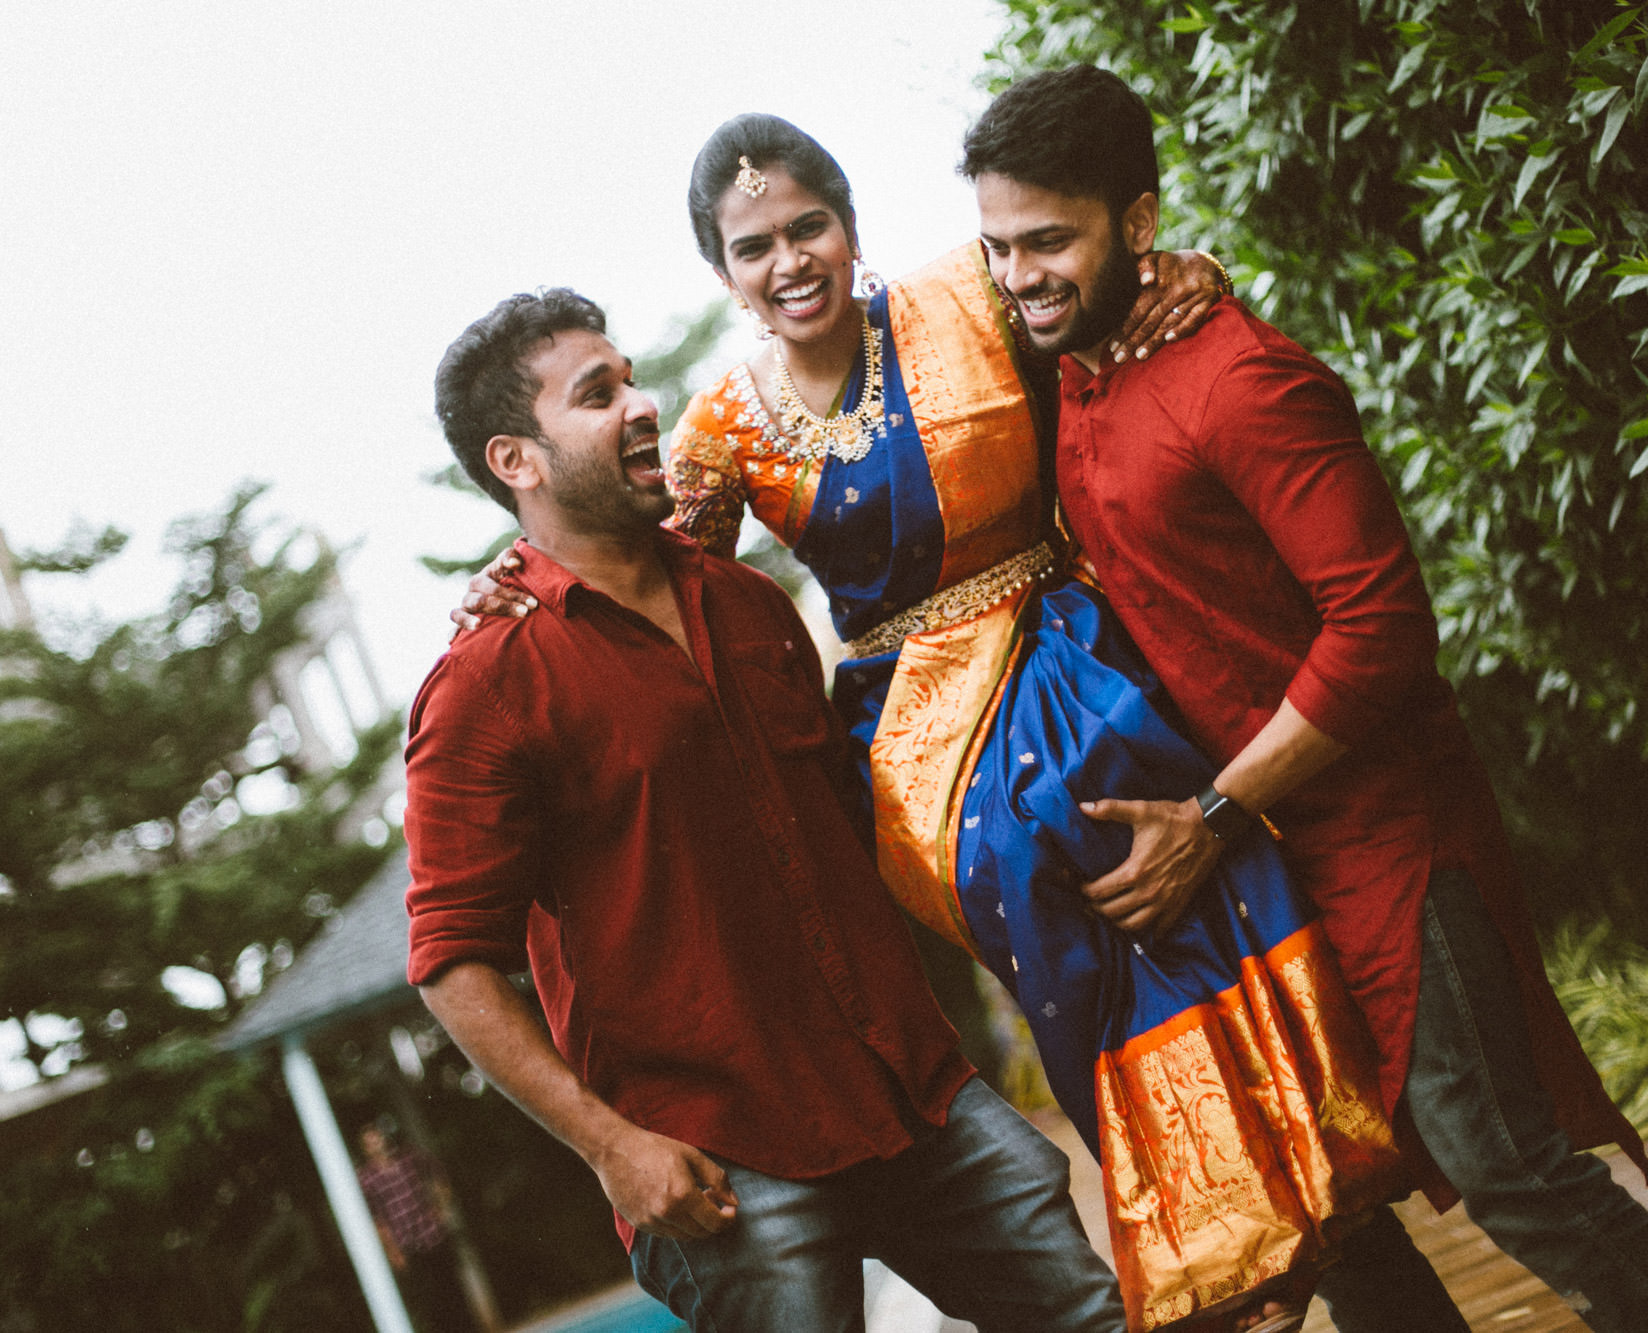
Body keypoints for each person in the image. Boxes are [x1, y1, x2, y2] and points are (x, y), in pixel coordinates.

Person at [468, 115, 1408, 1332]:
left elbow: (1094, 311)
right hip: (933, 759)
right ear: (722, 275)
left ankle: (1334, 1209)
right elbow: (626, 562)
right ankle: (1221, 1271)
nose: (790, 259)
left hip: (1100, 677)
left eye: (809, 225)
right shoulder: (718, 431)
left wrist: (1188, 274)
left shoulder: (969, 294)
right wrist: (513, 571)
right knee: (1088, 992)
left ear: (851, 226)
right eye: (754, 246)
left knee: (1226, 929)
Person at [955, 64, 1648, 1333]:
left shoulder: (1245, 381)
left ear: (1143, 222)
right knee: (1326, 1184)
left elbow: (1381, 631)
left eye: (1049, 239)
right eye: (997, 245)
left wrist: (1214, 812)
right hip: (1255, 860)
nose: (1017, 274)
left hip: (1383, 833)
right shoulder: (1075, 360)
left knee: (1505, 1165)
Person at [404, 286, 1128, 1331]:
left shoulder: (749, 606)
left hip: (911, 1096)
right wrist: (613, 1147)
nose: (642, 404)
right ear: (516, 461)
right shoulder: (485, 683)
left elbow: (856, 823)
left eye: (633, 377)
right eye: (597, 394)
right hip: (719, 1167)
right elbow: (449, 964)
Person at [354, 1124, 472, 1333]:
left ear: (384, 1138)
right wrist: (392, 1251)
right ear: (365, 1148)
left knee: (453, 1291)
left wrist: (442, 1207)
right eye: (369, 1143)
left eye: (377, 1138)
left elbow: (437, 1172)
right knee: (431, 1301)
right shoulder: (366, 1179)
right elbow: (376, 1220)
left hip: (433, 1234)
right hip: (407, 1245)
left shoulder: (408, 1158)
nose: (376, 1144)